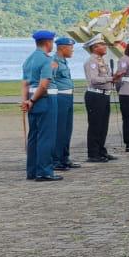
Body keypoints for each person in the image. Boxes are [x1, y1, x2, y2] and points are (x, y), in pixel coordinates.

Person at [21, 30, 60, 182]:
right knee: (46, 137)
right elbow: (44, 85)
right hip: (45, 99)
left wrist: (26, 101)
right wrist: (32, 101)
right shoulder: (46, 60)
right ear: (48, 43)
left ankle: (32, 170)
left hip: (31, 98)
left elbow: (24, 84)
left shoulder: (28, 60)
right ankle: (44, 171)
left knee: (34, 136)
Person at [82, 37, 121, 163]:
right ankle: (93, 153)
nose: (105, 47)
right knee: (95, 125)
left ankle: (101, 150)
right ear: (94, 47)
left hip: (104, 95)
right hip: (95, 95)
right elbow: (93, 80)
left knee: (103, 125)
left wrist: (113, 78)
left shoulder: (102, 61)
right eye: (102, 45)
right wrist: (111, 78)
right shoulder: (91, 62)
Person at [49, 33, 80, 173]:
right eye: (70, 48)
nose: (72, 50)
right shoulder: (54, 61)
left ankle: (64, 158)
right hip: (60, 97)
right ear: (62, 48)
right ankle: (56, 160)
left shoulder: (63, 61)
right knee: (59, 130)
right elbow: (49, 79)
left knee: (67, 130)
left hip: (67, 97)